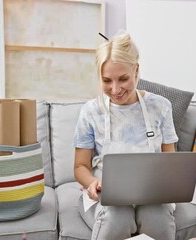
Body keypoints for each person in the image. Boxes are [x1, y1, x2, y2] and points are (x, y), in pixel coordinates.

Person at [73, 32, 178, 240]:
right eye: (106, 80)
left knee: (157, 218)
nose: (115, 89)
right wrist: (92, 183)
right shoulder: (91, 111)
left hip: (152, 195)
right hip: (106, 196)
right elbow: (80, 167)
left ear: (136, 70)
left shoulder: (161, 107)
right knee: (117, 217)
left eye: (123, 79)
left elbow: (171, 163)